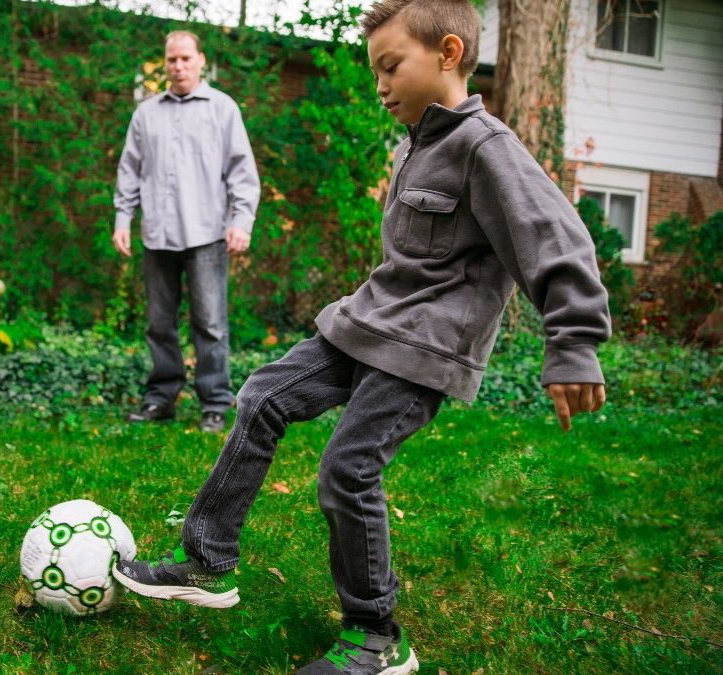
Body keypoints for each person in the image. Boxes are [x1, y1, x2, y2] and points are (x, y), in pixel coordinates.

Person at [112, 1, 610, 673]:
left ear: (449, 53)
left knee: (347, 468)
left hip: (423, 346)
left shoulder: (483, 147)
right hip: (369, 322)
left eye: (390, 66)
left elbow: (555, 239)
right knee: (262, 395)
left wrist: (573, 342)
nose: (380, 84)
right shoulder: (415, 142)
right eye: (375, 68)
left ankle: (376, 635)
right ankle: (206, 560)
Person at [112, 30, 261, 433]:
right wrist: (123, 219)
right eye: (171, 60)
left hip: (206, 235)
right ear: (165, 64)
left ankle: (214, 403)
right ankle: (161, 398)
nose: (177, 66)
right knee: (158, 323)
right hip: (157, 235)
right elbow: (129, 170)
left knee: (210, 324)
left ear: (200, 61)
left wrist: (240, 222)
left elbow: (242, 173)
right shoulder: (146, 113)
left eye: (185, 59)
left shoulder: (222, 109)